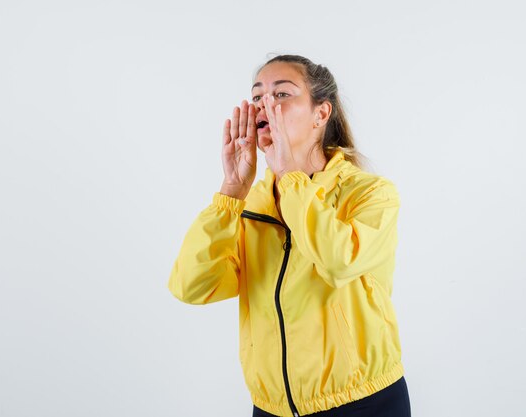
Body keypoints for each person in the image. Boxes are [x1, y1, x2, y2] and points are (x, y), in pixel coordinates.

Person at [167, 54, 411, 417]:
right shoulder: (249, 204)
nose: (266, 104)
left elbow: (338, 262)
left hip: (362, 402)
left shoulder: (370, 194)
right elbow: (192, 286)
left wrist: (290, 178)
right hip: (271, 409)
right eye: (258, 97)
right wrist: (231, 191)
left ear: (321, 114)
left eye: (282, 95)